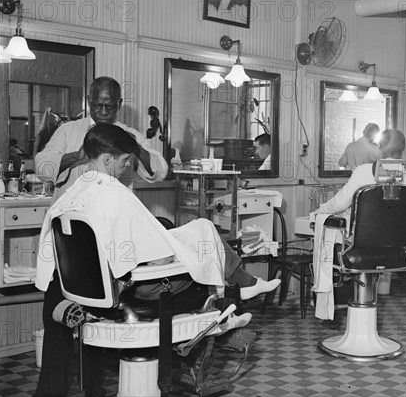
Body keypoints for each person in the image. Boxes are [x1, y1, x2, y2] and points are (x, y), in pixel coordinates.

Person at [34, 124, 280, 397]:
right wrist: (173, 253)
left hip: (80, 292)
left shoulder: (71, 196)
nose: (127, 167)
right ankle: (228, 307)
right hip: (134, 293)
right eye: (125, 161)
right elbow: (160, 258)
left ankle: (236, 296)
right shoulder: (114, 194)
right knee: (203, 245)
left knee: (196, 236)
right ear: (107, 160)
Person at [311, 129, 406, 319]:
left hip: (358, 248)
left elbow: (340, 203)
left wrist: (319, 211)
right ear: (404, 149)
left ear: (379, 147)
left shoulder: (363, 172)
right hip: (397, 252)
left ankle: (328, 300)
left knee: (326, 234)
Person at [35, 76, 168, 200]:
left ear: (119, 103)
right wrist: (75, 157)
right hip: (71, 215)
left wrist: (136, 148)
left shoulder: (129, 135)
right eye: (98, 105)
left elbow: (160, 171)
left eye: (109, 106)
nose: (104, 112)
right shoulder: (67, 131)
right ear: (89, 101)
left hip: (111, 216)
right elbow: (41, 167)